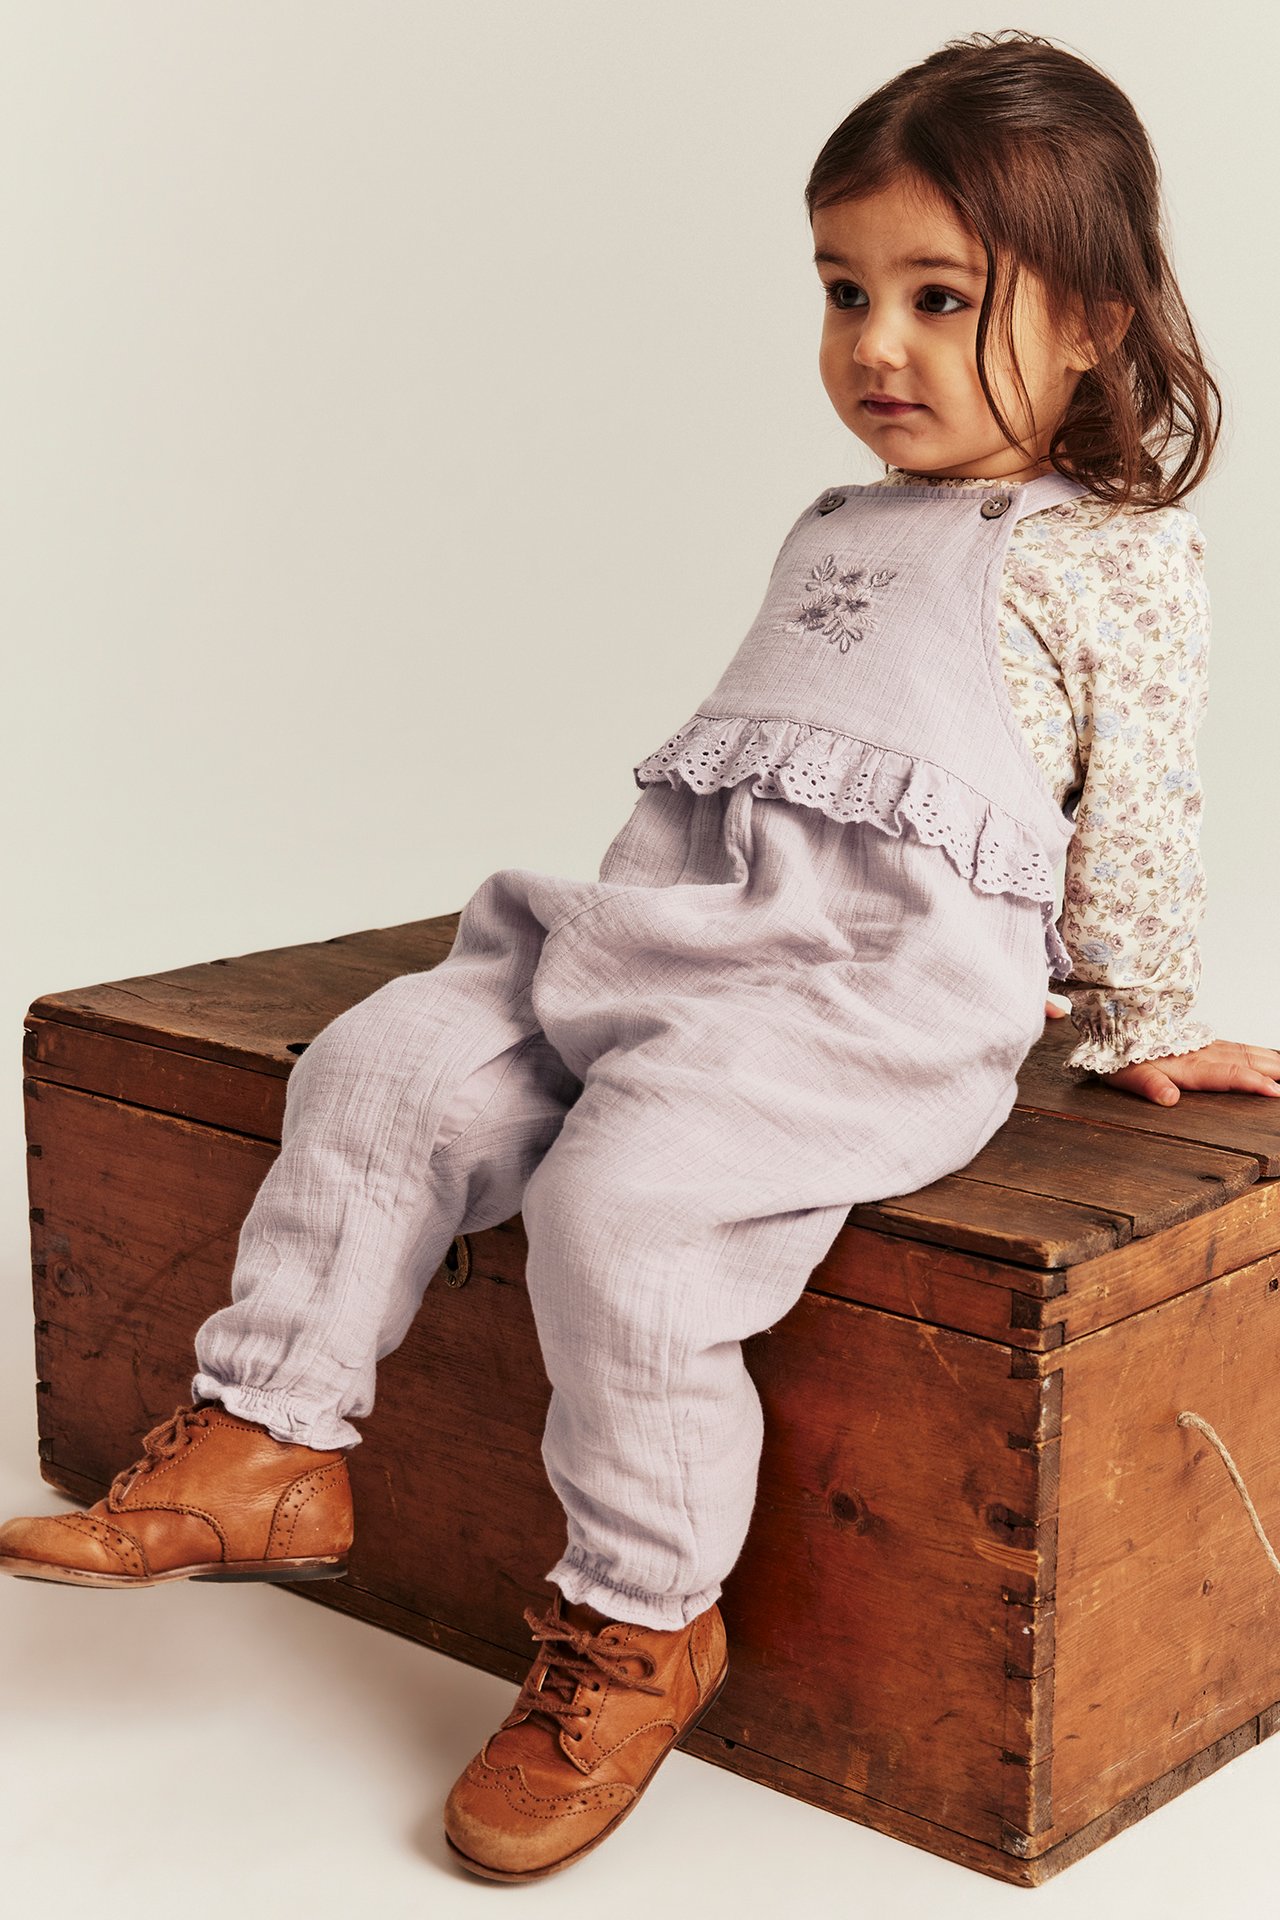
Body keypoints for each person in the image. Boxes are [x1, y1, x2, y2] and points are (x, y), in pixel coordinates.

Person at [4, 25, 1278, 1887]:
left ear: (1091, 321)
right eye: (845, 293)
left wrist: (1148, 1014)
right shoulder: (833, 522)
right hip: (670, 928)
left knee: (631, 1205)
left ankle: (638, 1617)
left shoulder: (1113, 557)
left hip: (869, 990)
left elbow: (1139, 804)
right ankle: (267, 1431)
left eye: (942, 298)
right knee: (387, 1061)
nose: (876, 347)